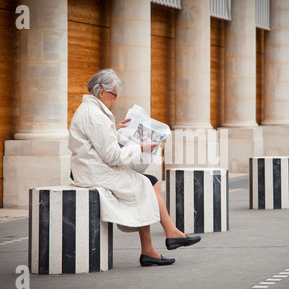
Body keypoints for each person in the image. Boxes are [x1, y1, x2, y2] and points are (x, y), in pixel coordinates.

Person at [68, 69, 201, 267]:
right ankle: (161, 242)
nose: (114, 99)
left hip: (92, 168)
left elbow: (93, 141)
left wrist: (114, 131)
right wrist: (141, 148)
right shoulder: (96, 115)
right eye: (113, 94)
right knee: (145, 184)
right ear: (101, 92)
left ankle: (163, 240)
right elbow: (112, 156)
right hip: (95, 172)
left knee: (149, 182)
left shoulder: (90, 110)